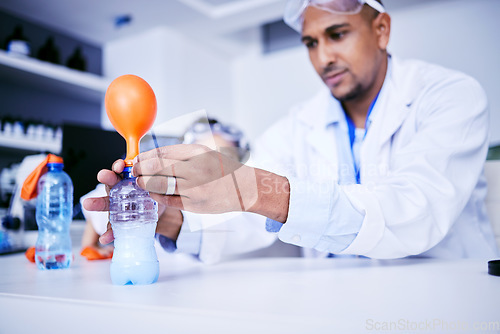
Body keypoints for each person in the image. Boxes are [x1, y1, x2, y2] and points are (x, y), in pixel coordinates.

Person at [84, 0, 498, 263]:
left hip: (445, 296)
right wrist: (169, 219)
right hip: (334, 306)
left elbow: (416, 209)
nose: (324, 58)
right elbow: (249, 218)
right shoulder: (298, 126)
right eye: (310, 43)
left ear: (381, 29)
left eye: (337, 34)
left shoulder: (449, 96)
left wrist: (256, 188)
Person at [79, 117, 258, 260]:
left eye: (224, 158)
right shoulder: (164, 188)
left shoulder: (247, 203)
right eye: (203, 159)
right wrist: (90, 246)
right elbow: (100, 203)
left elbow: (248, 229)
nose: (212, 168)